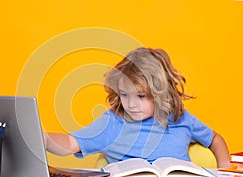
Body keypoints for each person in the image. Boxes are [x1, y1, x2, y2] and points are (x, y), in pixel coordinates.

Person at [45, 47, 232, 168]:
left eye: (141, 96)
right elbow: (70, 143)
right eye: (124, 95)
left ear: (161, 93)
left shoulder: (181, 119)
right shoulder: (113, 122)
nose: (131, 104)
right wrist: (43, 139)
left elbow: (215, 139)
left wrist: (225, 169)